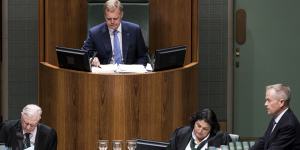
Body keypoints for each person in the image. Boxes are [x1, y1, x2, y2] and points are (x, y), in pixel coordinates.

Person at [82, 0, 148, 66]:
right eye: (109, 19)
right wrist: (91, 59)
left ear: (121, 15)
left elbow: (143, 56)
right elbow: (83, 55)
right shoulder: (95, 33)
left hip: (129, 73)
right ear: (105, 16)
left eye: (115, 18)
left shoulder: (135, 30)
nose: (112, 22)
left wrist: (136, 70)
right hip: (105, 73)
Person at [251, 83, 300, 150]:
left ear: (281, 102)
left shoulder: (289, 125)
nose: (265, 104)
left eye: (268, 100)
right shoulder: (277, 118)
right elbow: (264, 141)